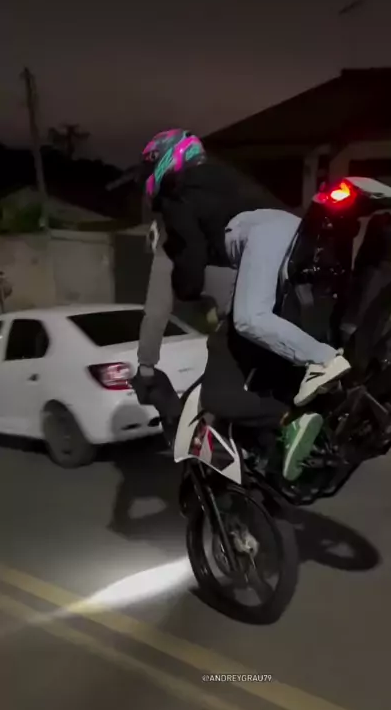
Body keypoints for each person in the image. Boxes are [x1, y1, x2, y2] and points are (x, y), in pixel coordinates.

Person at [133, 128, 350, 481]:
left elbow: (171, 296)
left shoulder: (177, 200)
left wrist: (146, 365)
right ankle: (295, 429)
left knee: (248, 325)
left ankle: (320, 367)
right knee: (260, 340)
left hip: (262, 244)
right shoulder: (223, 180)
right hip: (296, 241)